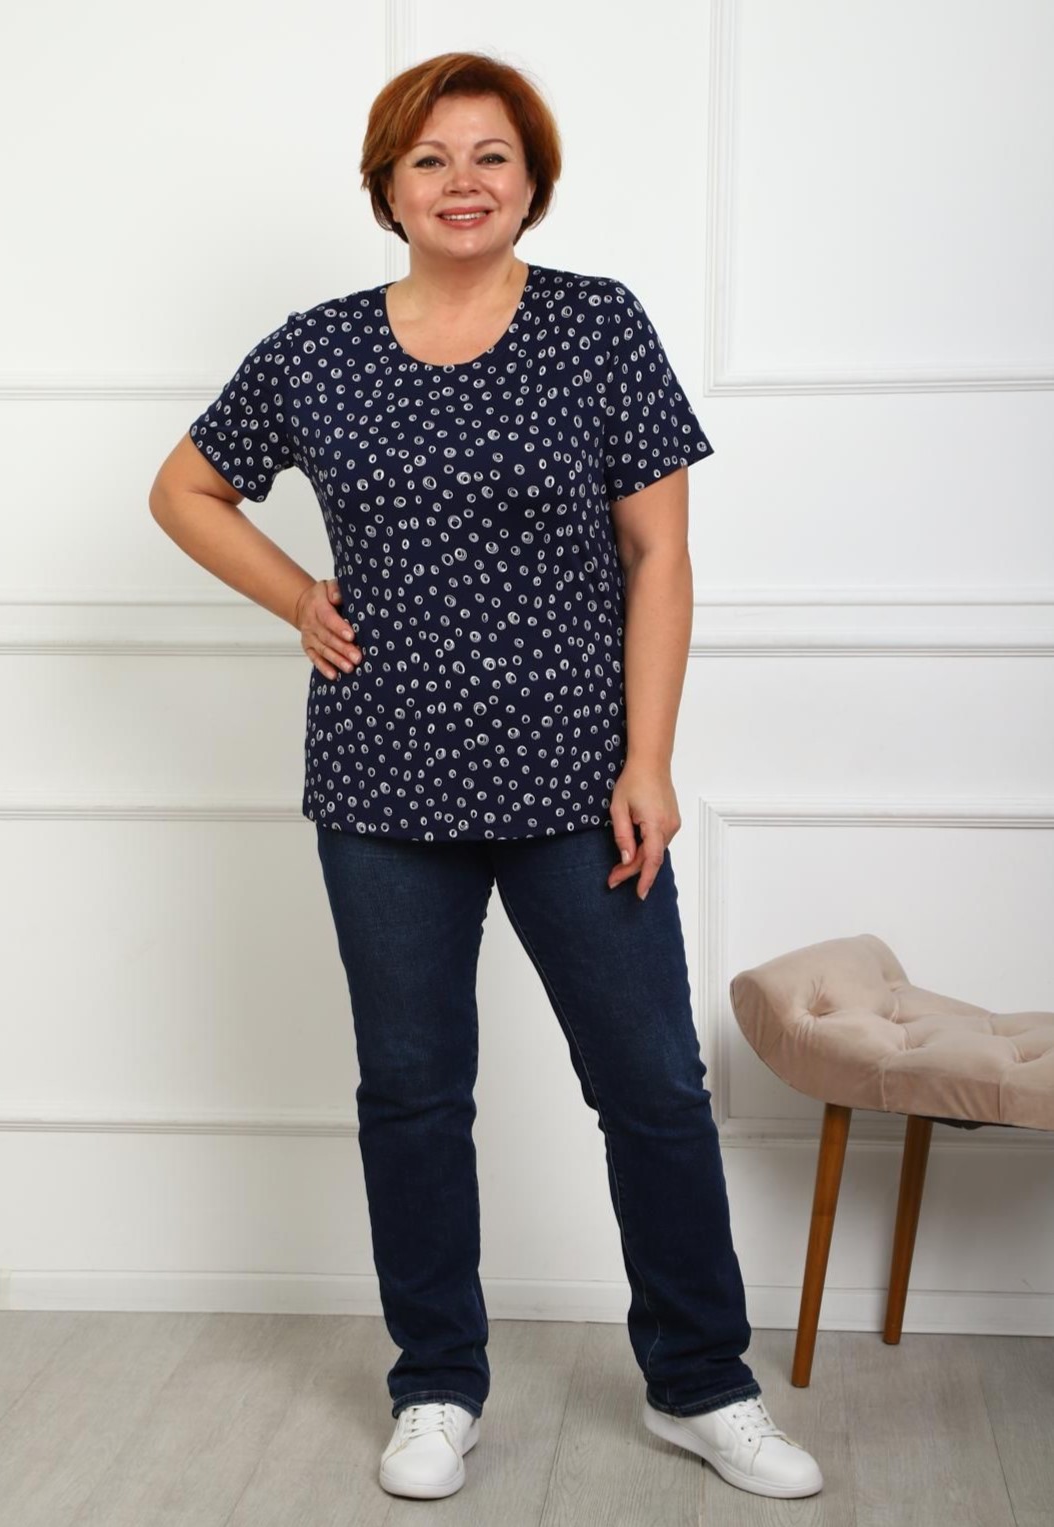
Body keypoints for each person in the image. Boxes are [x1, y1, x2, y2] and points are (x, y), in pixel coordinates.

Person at [150, 49, 824, 1506]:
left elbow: (659, 555)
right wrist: (295, 595)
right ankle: (437, 1387)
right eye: (431, 159)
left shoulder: (596, 326)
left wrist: (650, 758)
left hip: (581, 780)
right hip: (382, 784)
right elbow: (184, 489)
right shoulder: (319, 349)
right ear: (388, 188)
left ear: (532, 182)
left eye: (492, 157)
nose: (463, 182)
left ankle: (702, 1386)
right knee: (410, 1093)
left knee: (651, 1085)